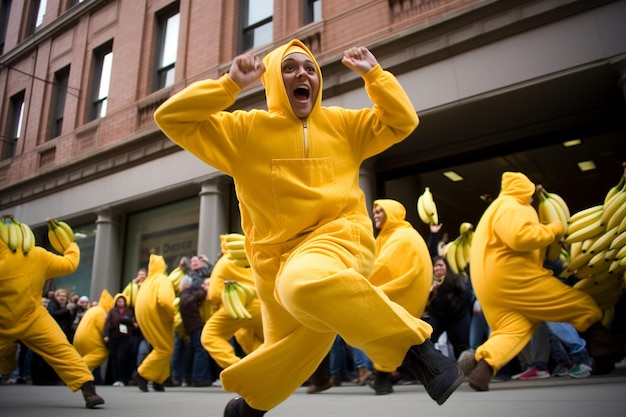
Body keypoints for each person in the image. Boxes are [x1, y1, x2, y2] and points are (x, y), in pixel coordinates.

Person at [154, 39, 463, 416]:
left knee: (302, 283)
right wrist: (229, 84)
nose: (302, 73)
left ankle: (418, 352)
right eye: (290, 67)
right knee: (294, 345)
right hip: (273, 263)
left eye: (310, 68)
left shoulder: (343, 123)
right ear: (271, 81)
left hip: (340, 238)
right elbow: (171, 118)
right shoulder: (244, 130)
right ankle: (252, 408)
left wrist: (375, 76)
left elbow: (402, 121)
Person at [457, 171, 624, 392]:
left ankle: (483, 368)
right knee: (578, 303)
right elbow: (520, 237)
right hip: (515, 278)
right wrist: (554, 228)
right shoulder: (514, 206)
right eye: (530, 194)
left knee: (512, 330)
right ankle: (605, 349)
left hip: (489, 287)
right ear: (524, 191)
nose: (533, 199)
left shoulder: (493, 210)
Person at [0, 227, 104, 408]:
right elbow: (70, 263)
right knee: (62, 350)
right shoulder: (38, 255)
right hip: (34, 317)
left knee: (10, 351)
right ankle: (88, 388)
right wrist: (71, 245)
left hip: (10, 320)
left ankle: (6, 371)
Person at [365, 199, 434, 395]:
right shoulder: (392, 236)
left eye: (380, 211)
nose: (375, 214)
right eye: (375, 211)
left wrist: (354, 279)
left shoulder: (401, 237)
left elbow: (383, 267)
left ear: (392, 212)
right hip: (404, 295)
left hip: (403, 294)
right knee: (400, 338)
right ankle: (436, 374)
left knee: (388, 335)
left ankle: (383, 379)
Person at [202, 235, 263, 371]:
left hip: (238, 306)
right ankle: (267, 369)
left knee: (210, 336)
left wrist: (214, 306)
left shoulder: (224, 262)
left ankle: (236, 368)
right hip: (261, 306)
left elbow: (215, 294)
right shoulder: (251, 259)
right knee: (248, 337)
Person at [134, 253, 176, 392]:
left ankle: (159, 380)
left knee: (161, 347)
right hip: (159, 317)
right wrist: (173, 313)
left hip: (144, 316)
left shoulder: (147, 281)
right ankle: (142, 374)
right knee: (164, 349)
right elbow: (164, 300)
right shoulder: (163, 279)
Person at [424, 256, 472, 360]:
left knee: (460, 346)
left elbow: (466, 295)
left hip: (458, 317)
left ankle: (463, 369)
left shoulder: (455, 279)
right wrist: (432, 292)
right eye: (435, 266)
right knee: (428, 338)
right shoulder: (430, 282)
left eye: (440, 265)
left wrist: (458, 308)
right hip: (440, 317)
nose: (437, 268)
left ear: (447, 267)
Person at [179, 275, 213, 386]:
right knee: (201, 350)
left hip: (193, 325)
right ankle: (199, 378)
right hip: (195, 325)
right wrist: (203, 291)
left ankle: (194, 377)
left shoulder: (187, 294)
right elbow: (189, 302)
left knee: (196, 350)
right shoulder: (188, 294)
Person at [73, 290, 114, 375]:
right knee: (102, 353)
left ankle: (81, 376)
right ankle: (75, 370)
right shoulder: (101, 312)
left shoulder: (92, 310)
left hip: (77, 340)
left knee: (84, 357)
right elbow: (103, 328)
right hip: (90, 342)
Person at [104, 294, 138, 386]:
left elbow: (132, 324)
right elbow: (107, 324)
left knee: (122, 357)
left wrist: (125, 320)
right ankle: (116, 379)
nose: (120, 302)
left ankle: (123, 379)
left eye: (122, 300)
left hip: (125, 337)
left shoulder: (129, 311)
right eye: (118, 301)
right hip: (114, 337)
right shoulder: (112, 311)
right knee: (114, 358)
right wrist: (106, 335)